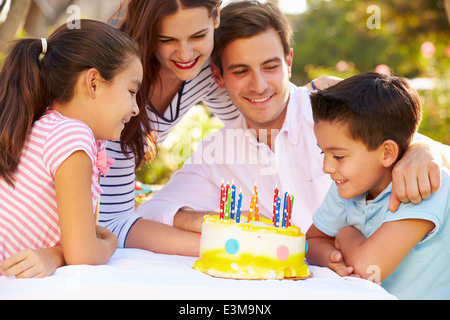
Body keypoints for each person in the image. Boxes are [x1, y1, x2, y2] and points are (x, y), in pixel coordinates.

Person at [139, 1, 449, 240]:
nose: (259, 85)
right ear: (219, 77)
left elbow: (429, 155)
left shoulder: (336, 114)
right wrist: (210, 219)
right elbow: (152, 212)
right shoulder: (217, 152)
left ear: (288, 61)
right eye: (241, 71)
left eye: (270, 66)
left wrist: (424, 149)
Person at [100, 0, 336, 250]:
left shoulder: (205, 72)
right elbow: (113, 224)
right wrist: (232, 237)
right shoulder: (118, 81)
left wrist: (323, 97)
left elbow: (263, 105)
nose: (186, 54)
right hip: (85, 219)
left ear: (215, 20)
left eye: (198, 35)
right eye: (167, 40)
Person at [0, 19, 177, 279]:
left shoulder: (50, 127)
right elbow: (84, 255)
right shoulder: (72, 136)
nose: (136, 108)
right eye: (131, 91)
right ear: (93, 82)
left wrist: (57, 254)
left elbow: (80, 243)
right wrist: (112, 242)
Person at [305, 72, 449, 299]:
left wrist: (345, 235)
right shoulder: (347, 186)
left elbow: (369, 268)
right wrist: (332, 259)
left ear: (387, 153)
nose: (327, 167)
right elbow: (312, 241)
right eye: (324, 152)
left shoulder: (422, 186)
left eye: (339, 156)